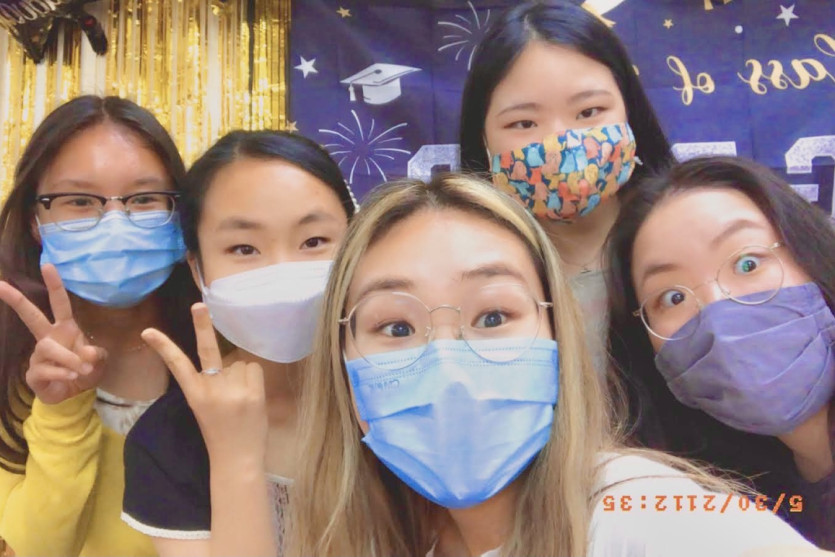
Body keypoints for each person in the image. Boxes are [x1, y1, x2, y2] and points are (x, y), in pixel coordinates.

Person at [285, 173, 826, 557]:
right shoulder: (378, 538)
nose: (449, 369)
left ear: (557, 336)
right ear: (342, 362)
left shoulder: (640, 512)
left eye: (493, 316)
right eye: (397, 328)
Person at [121, 130, 356, 556]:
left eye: (314, 242)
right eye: (244, 248)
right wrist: (235, 460)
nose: (282, 274)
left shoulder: (402, 395)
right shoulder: (169, 438)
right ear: (198, 270)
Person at [0, 95, 198, 556]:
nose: (115, 224)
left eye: (144, 199)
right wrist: (61, 408)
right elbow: (37, 549)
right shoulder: (8, 360)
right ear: (35, 221)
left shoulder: (226, 347)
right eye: (79, 201)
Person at [606, 156, 835, 550]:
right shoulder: (708, 500)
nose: (717, 312)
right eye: (672, 297)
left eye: (747, 264)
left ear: (811, 255)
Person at [458, 0, 674, 374]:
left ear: (629, 111)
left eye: (589, 112)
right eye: (524, 123)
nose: (562, 143)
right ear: (484, 138)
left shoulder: (682, 242)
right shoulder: (468, 271)